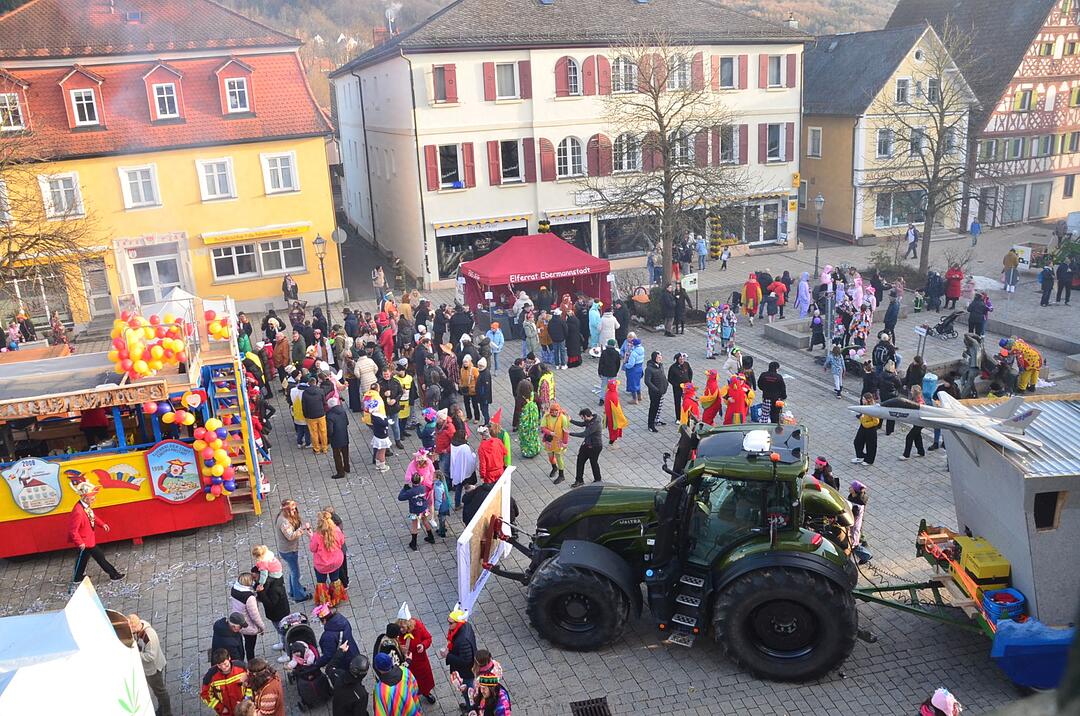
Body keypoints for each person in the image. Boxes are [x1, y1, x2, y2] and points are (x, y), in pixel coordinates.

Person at [68, 482, 123, 586]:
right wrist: (80, 542)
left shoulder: (84, 506)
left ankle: (77, 577)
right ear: (85, 498)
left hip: (87, 539)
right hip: (85, 541)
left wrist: (102, 524)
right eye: (92, 497)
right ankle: (114, 575)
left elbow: (92, 516)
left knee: (83, 559)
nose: (94, 499)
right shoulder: (78, 511)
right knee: (100, 557)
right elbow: (73, 530)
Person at [128, 614, 173, 716]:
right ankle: (162, 709)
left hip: (153, 669)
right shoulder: (140, 629)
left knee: (160, 692)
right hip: (149, 668)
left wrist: (136, 654)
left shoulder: (149, 637)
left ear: (135, 626)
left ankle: (167, 713)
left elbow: (151, 656)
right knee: (158, 691)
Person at [250, 545, 290, 654]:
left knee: (284, 632)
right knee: (279, 630)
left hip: (279, 613)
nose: (254, 581)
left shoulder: (274, 587)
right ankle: (282, 643)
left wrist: (261, 592)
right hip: (274, 614)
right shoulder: (267, 581)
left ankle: (287, 652)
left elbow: (270, 603)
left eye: (255, 578)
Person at [395, 603, 437, 704]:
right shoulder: (397, 631)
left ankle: (426, 693)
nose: (401, 630)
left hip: (420, 661)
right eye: (399, 627)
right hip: (406, 664)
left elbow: (428, 638)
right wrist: (399, 648)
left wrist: (423, 645)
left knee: (424, 680)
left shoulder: (418, 626)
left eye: (403, 627)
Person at [311, 603, 361, 682]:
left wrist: (317, 663)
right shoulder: (343, 621)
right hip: (354, 652)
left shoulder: (328, 636)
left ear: (324, 620)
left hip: (343, 662)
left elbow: (328, 655)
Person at [440, 605, 477, 709]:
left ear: (458, 623)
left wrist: (447, 655)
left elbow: (465, 661)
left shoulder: (463, 640)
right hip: (466, 670)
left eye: (450, 623)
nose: (448, 625)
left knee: (468, 692)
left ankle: (471, 710)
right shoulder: (465, 626)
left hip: (466, 672)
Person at [276, 500, 312, 603]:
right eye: (292, 509)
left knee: (293, 571)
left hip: (289, 549)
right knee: (295, 572)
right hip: (288, 551)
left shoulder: (284, 517)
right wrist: (302, 529)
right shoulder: (283, 522)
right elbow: (290, 536)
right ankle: (299, 596)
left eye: (295, 508)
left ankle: (294, 590)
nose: (294, 511)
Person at [309, 510, 347, 606]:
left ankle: (324, 600)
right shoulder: (337, 530)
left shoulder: (317, 535)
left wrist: (311, 537)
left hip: (322, 564)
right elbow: (342, 542)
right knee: (335, 579)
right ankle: (336, 598)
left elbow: (312, 549)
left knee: (321, 582)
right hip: (336, 561)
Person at [201, 649, 250, 715]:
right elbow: (205, 695)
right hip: (225, 712)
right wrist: (220, 707)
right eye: (219, 665)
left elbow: (251, 683)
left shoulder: (242, 668)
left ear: (229, 658)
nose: (223, 667)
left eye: (225, 664)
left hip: (243, 709)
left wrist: (246, 700)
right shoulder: (210, 676)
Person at [569, 407, 603, 486]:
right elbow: (582, 424)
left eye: (582, 418)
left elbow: (584, 434)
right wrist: (570, 420)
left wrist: (570, 433)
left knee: (593, 463)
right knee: (580, 461)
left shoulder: (595, 424)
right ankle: (579, 480)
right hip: (587, 444)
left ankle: (598, 479)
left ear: (586, 416)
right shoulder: (590, 419)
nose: (583, 419)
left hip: (595, 446)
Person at [852, 393, 881, 466]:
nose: (862, 400)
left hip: (870, 429)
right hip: (863, 426)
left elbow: (876, 421)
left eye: (863, 399)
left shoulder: (872, 409)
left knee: (870, 445)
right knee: (857, 442)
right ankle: (860, 456)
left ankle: (869, 460)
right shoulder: (864, 406)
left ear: (868, 400)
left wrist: (866, 424)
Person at [900, 385, 926, 460]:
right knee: (917, 436)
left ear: (915, 392)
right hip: (916, 422)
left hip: (920, 422)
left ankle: (906, 455)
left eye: (912, 390)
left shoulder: (920, 402)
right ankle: (921, 452)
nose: (910, 392)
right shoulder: (914, 399)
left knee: (909, 437)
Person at [644, 351, 666, 432]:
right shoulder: (649, 369)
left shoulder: (660, 365)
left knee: (659, 407)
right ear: (654, 358)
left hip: (661, 390)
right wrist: (656, 390)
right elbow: (647, 381)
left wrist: (666, 384)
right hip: (654, 393)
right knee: (653, 408)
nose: (660, 358)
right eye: (658, 357)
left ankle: (657, 420)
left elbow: (663, 376)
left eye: (660, 357)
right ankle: (651, 425)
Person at [517, 381, 540, 458]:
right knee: (534, 434)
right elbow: (539, 404)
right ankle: (535, 448)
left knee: (525, 436)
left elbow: (517, 411)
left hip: (525, 422)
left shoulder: (520, 399)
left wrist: (516, 423)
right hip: (534, 420)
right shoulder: (534, 395)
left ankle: (527, 451)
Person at [667, 352, 692, 422]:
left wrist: (689, 382)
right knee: (677, 402)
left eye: (683, 359)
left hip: (687, 387)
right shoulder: (673, 367)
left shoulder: (686, 364)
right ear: (677, 359)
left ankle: (688, 415)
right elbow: (670, 378)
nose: (682, 360)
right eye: (680, 359)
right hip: (677, 388)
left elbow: (690, 373)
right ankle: (678, 418)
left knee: (688, 401)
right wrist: (676, 385)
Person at [603, 378, 628, 447]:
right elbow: (617, 409)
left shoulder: (608, 392)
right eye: (616, 386)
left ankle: (612, 441)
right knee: (614, 429)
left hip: (609, 415)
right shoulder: (613, 396)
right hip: (614, 417)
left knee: (612, 428)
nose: (617, 387)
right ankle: (611, 443)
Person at [622, 337, 644, 404]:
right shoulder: (642, 349)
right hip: (639, 368)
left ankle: (635, 399)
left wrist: (625, 365)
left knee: (632, 384)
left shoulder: (633, 353)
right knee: (637, 383)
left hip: (633, 370)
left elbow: (631, 364)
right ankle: (639, 396)